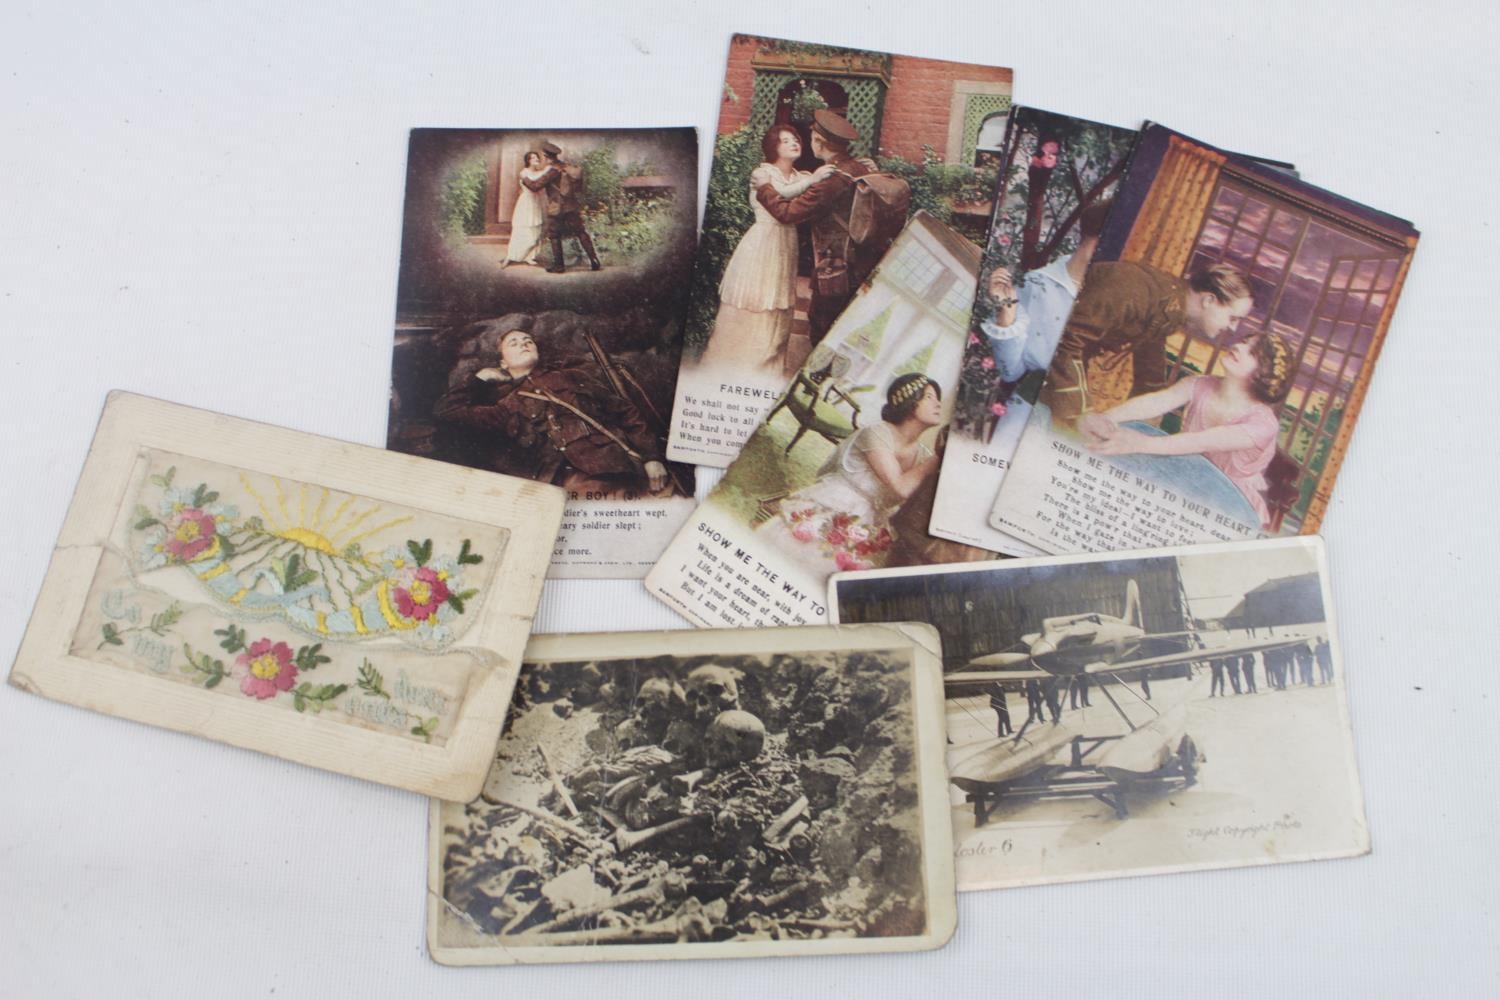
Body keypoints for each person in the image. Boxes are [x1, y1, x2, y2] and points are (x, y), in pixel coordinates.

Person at [1080, 332, 1293, 527]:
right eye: (1244, 341)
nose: (1238, 346)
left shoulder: (1263, 424)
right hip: (1185, 469)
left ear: (1264, 373)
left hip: (1227, 495)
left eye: (1252, 352)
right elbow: (1154, 402)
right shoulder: (1200, 384)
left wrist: (1139, 442)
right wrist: (1105, 418)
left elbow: (1200, 442)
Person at [433, 328, 668, 495]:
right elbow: (446, 410)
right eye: (513, 343)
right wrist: (479, 378)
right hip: (556, 486)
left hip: (611, 469)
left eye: (528, 340)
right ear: (503, 364)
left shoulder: (573, 376)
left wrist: (652, 458)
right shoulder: (506, 405)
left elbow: (625, 411)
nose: (524, 343)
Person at [1042, 262, 1255, 429]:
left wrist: (1148, 422)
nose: (1233, 329)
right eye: (1233, 318)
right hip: (1040, 345)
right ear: (1209, 300)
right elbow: (1065, 342)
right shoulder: (1140, 291)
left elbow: (1150, 372)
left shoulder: (1169, 309)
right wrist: (1078, 418)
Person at [768, 373, 943, 571]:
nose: (938, 404)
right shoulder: (876, 433)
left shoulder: (923, 456)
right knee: (798, 557)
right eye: (930, 397)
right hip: (837, 502)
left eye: (938, 399)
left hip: (869, 522)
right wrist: (939, 456)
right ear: (910, 402)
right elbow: (900, 486)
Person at [698, 125, 836, 373]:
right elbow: (779, 195)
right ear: (774, 147)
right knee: (754, 297)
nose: (794, 143)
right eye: (786, 141)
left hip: (786, 244)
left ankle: (766, 366)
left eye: (795, 139)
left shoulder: (800, 176)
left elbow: (811, 194)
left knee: (777, 301)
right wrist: (814, 179)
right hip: (762, 243)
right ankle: (733, 362)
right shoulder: (761, 174)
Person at [751, 110, 881, 346]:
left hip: (837, 268)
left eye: (809, 138)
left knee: (823, 327)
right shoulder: (858, 168)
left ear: (819, 142)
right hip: (861, 263)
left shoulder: (832, 179)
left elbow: (787, 213)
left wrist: (765, 188)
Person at [981, 198, 1113, 410]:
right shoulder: (1037, 284)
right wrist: (1007, 316)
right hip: (1029, 407)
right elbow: (1010, 371)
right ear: (1090, 236)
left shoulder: (1110, 298)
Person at [534, 141, 601, 273]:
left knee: (554, 235)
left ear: (547, 157)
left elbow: (535, 186)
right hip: (572, 206)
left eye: (544, 157)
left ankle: (559, 266)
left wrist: (524, 177)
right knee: (581, 232)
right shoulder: (566, 167)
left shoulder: (552, 171)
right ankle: (594, 260)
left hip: (557, 207)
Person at [502, 151, 549, 267]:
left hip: (536, 203)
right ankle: (510, 256)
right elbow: (533, 185)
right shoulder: (524, 173)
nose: (536, 159)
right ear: (528, 161)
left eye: (537, 157)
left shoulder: (540, 172)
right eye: (533, 158)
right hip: (526, 203)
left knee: (536, 230)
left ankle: (530, 256)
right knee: (522, 230)